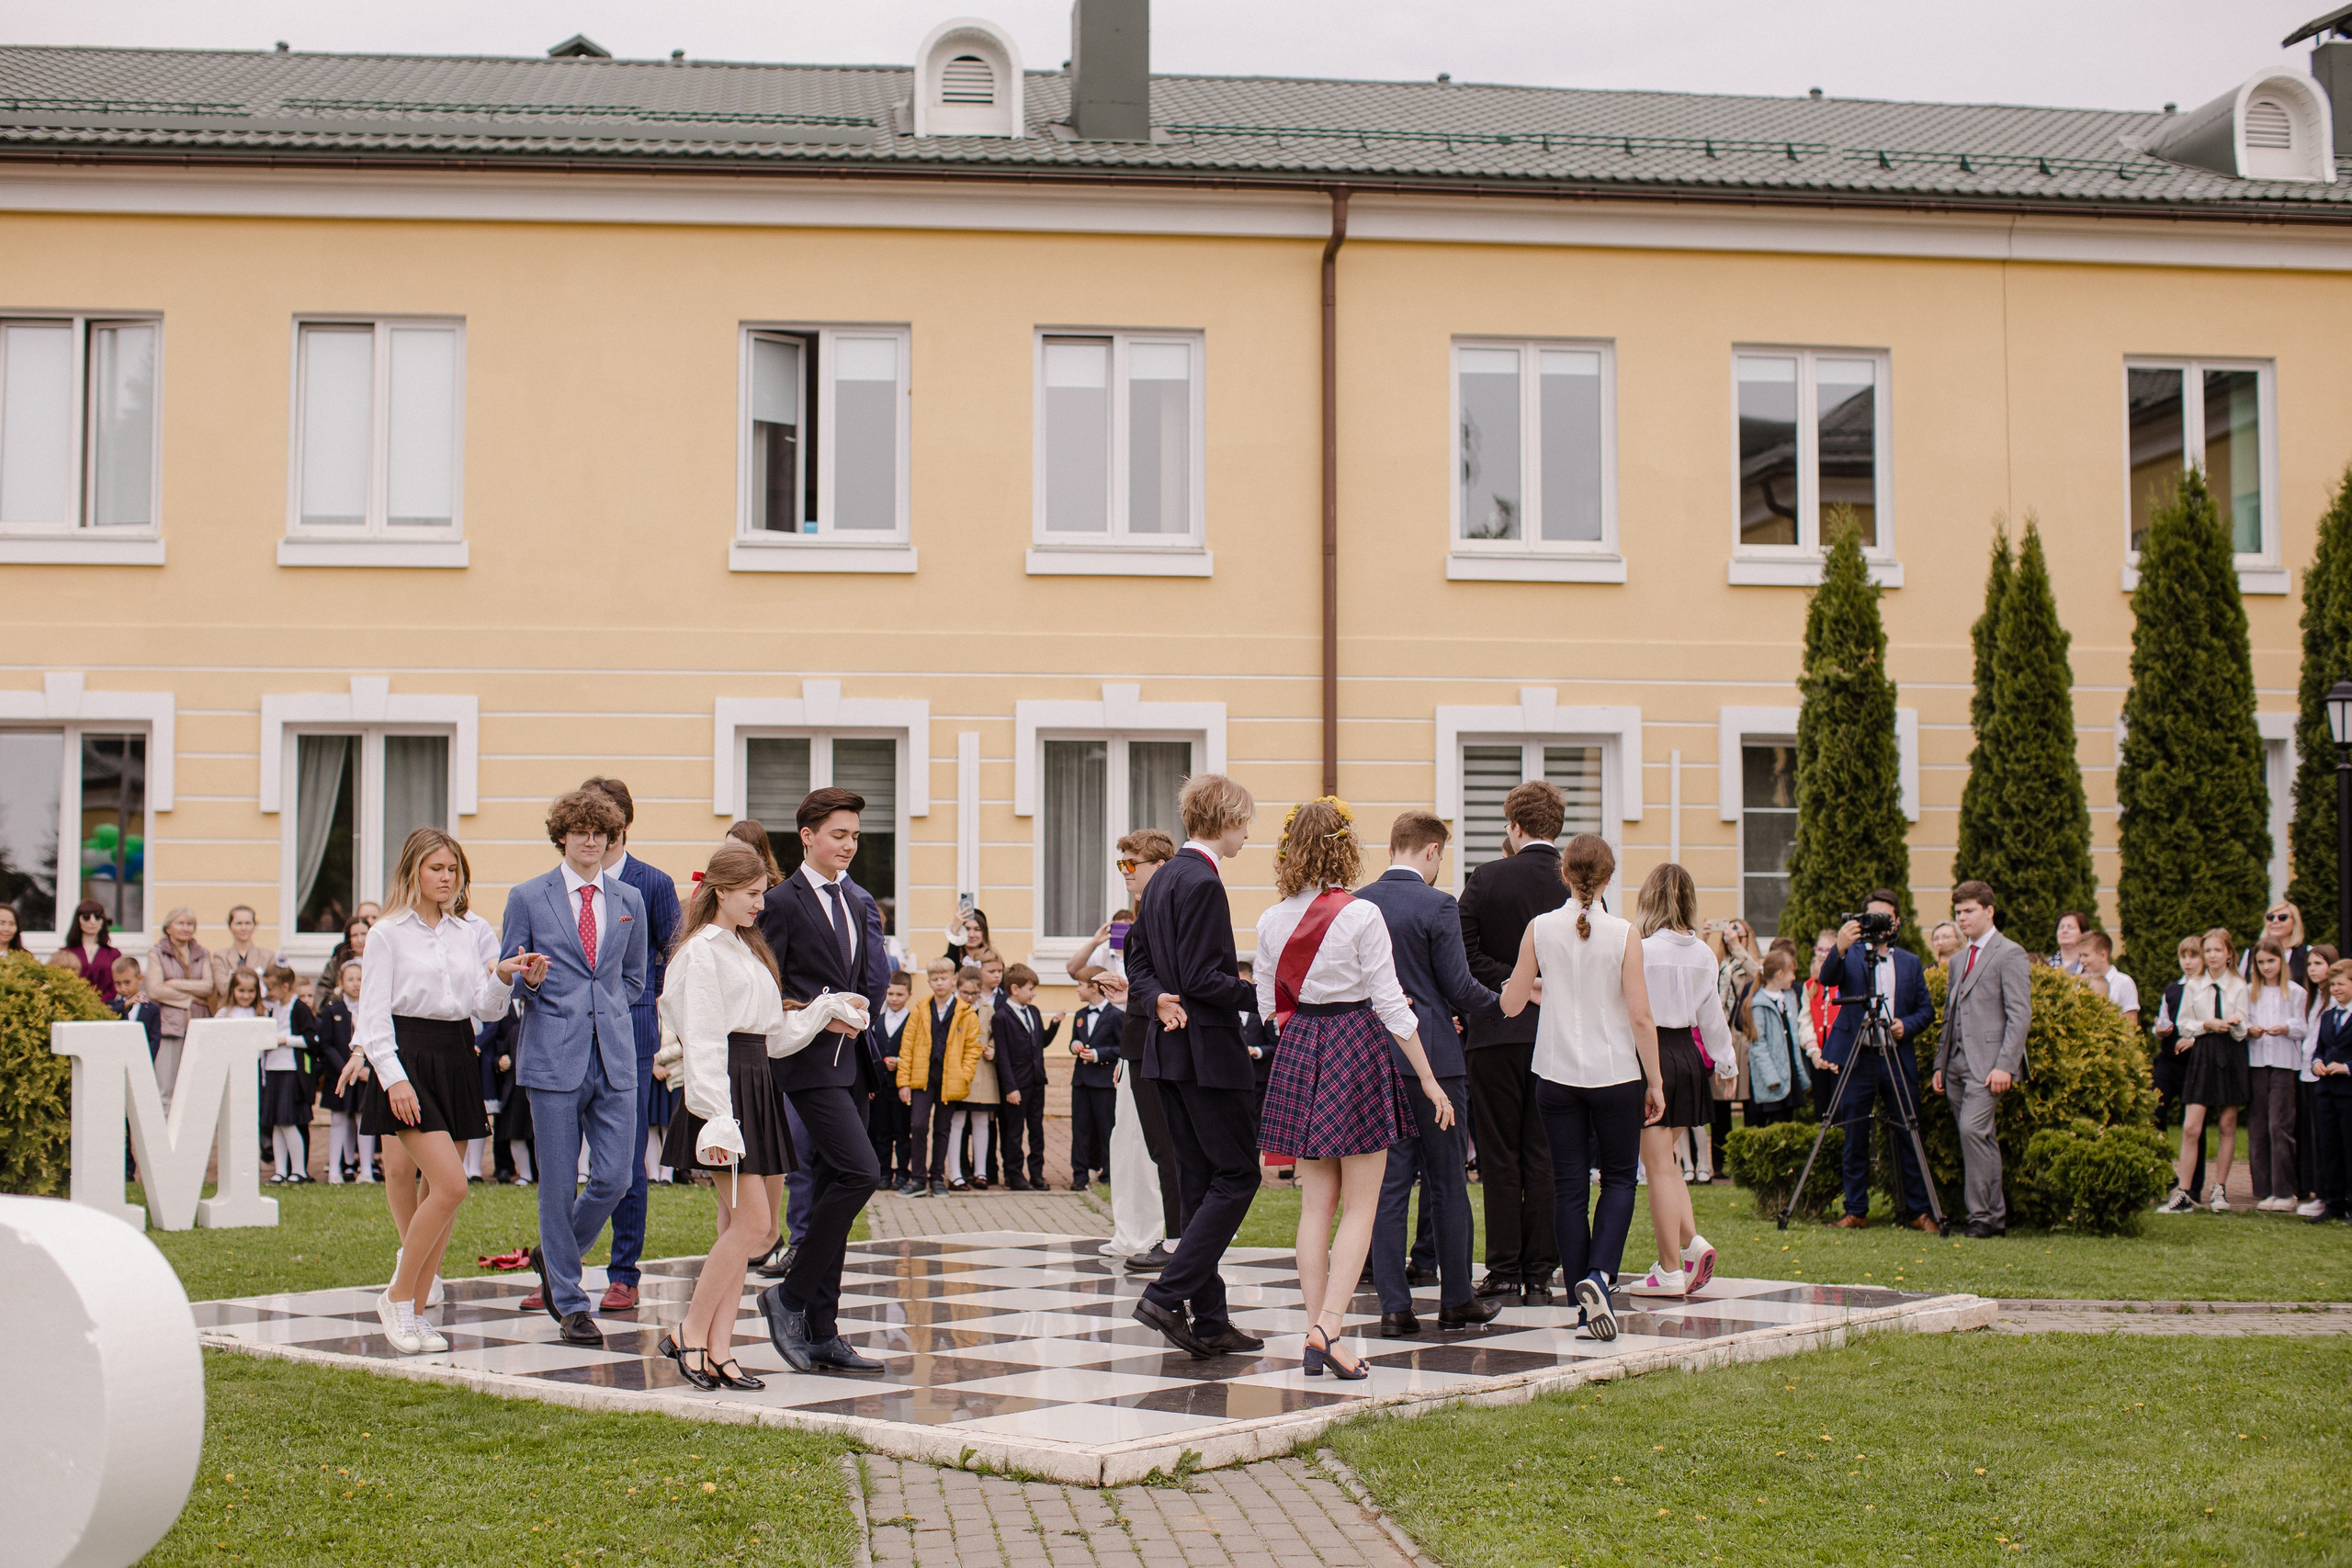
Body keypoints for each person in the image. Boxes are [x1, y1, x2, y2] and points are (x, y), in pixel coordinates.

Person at [1251, 797, 1453, 1377]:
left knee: (1316, 1206)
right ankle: (1330, 1327)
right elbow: (1392, 1005)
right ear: (1344, 847)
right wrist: (1432, 1081)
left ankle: (1318, 1331)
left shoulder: (1269, 920)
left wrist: (1307, 1037)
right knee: (1362, 1204)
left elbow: (1269, 1007)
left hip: (1302, 1050)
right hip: (1356, 1046)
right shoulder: (1362, 915)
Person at [659, 839, 864, 1391]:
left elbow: (772, 1035)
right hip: (725, 1091)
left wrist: (825, 1010)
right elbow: (702, 1041)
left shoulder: (745, 949)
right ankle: (690, 1332)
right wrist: (715, 1116)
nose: (760, 904)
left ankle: (719, 1348)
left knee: (760, 1227)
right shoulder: (701, 952)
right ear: (719, 892)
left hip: (757, 1084)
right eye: (751, 894)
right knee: (750, 1225)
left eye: (762, 894)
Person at [342, 827, 531, 1355]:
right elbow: (373, 1014)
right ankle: (398, 1296)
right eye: (436, 869)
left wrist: (504, 977)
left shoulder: (469, 931)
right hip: (409, 1057)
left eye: (452, 870)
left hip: (457, 1055)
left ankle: (417, 1312)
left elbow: (485, 1008)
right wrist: (393, 1076)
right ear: (413, 872)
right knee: (452, 1185)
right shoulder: (386, 934)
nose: (446, 879)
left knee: (440, 1198)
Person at [1498, 833, 1664, 1342]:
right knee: (1617, 1180)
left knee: (1568, 1185)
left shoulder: (1540, 929)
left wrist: (1536, 988)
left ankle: (1580, 1297)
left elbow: (1510, 1003)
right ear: (1609, 877)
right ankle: (1601, 1277)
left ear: (1564, 873)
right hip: (1616, 1074)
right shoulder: (1623, 933)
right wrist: (1654, 1081)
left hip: (1556, 1072)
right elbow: (1640, 1016)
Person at [1125, 773, 1267, 1359]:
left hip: (1166, 1055)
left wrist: (1155, 996)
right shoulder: (1204, 881)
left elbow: (1139, 961)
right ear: (1228, 819)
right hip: (1207, 1057)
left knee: (1200, 1182)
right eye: (1245, 826)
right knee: (1239, 1176)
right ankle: (1168, 1292)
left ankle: (1209, 1321)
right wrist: (1267, 993)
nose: (1246, 838)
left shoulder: (1160, 881)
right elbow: (1207, 980)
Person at [503, 789, 649, 1347]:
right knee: (558, 1183)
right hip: (552, 1054)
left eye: (600, 833)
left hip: (613, 1055)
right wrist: (530, 981)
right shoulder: (528, 896)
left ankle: (552, 1254)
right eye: (580, 832)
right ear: (562, 836)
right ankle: (568, 1301)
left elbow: (632, 979)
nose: (590, 841)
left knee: (615, 1176)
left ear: (611, 839)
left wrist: (606, 1011)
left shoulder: (628, 897)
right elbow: (511, 972)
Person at [752, 785, 887, 1375]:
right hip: (806, 1063)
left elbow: (873, 975)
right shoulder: (779, 902)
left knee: (841, 1183)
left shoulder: (859, 899)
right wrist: (815, 1011)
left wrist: (861, 1015)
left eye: (855, 835)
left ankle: (823, 1330)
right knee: (863, 1173)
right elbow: (766, 989)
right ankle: (788, 1295)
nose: (850, 845)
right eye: (839, 834)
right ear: (807, 836)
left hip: (855, 1063)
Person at [1353, 808, 1499, 1337]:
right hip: (1435, 1056)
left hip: (1374, 1058)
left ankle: (1395, 1306)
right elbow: (1460, 987)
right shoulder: (1438, 905)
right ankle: (1456, 1299)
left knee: (1389, 1185)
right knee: (1447, 1182)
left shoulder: (1357, 902)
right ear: (1432, 850)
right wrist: (1504, 1003)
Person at [1456, 780, 1570, 1304]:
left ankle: (1503, 1269)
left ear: (1515, 826)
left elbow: (1463, 956)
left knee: (1500, 1153)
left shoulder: (1486, 878)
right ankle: (1541, 1270)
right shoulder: (1578, 886)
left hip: (1497, 1032)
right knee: (1543, 1153)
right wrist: (1542, 983)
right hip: (1559, 1032)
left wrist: (1515, 983)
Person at [579, 776, 682, 1314]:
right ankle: (561, 1267)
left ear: (622, 826)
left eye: (603, 825)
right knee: (565, 1159)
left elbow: (673, 955)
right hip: (573, 1035)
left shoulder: (653, 884)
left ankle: (624, 1272)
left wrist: (661, 1029)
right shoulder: (561, 884)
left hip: (635, 1034)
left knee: (625, 1155)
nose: (593, 835)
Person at [1075, 832, 1182, 1268]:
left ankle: (1176, 1240)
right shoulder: (1145, 918)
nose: (1125, 872)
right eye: (1121, 864)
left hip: (1157, 1044)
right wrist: (1128, 993)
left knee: (1166, 1148)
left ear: (1159, 864)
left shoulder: (1162, 916)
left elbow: (1173, 985)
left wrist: (1138, 994)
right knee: (1152, 1147)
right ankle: (1170, 1236)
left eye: (1132, 863)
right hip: (1137, 1042)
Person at [1623, 863, 1729, 1294]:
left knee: (1659, 1167)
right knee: (1667, 1163)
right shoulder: (1704, 953)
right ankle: (1691, 1243)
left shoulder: (1642, 949)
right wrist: (1726, 1063)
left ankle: (1669, 1270)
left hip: (1652, 1055)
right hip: (1688, 1054)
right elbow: (1713, 1015)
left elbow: (1631, 1011)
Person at [1814, 888, 1938, 1232]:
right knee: (1854, 1133)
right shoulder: (1851, 955)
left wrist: (1905, 1026)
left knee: (1908, 1133)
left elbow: (1926, 1010)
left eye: (1886, 917)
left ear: (1897, 921)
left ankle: (1918, 1211)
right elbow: (1826, 980)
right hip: (1858, 1058)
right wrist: (1839, 946)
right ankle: (1856, 1209)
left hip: (1895, 1056)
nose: (1881, 925)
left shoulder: (1911, 962)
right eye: (1873, 918)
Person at [1933, 881, 2034, 1237]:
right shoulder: (1959, 958)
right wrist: (1940, 1063)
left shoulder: (2010, 953)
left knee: (1972, 1129)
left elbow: (2019, 1015)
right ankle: (1992, 1217)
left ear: (1989, 911)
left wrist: (2006, 1064)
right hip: (1957, 1063)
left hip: (1990, 1064)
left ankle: (1980, 1217)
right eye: (1958, 913)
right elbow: (1950, 1012)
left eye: (1969, 911)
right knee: (1979, 1138)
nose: (1962, 919)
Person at [2157, 927, 2250, 1213]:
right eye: (2207, 950)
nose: (2211, 956)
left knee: (2226, 1124)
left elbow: (2243, 1030)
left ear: (2229, 954)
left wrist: (2234, 1023)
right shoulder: (2194, 985)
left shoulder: (2238, 986)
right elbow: (2184, 1023)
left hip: (2230, 1053)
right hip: (2203, 1052)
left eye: (2217, 950)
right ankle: (2184, 1192)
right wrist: (2206, 1025)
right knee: (2191, 1126)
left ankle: (2219, 1188)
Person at [895, 957, 983, 1196]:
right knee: (920, 1125)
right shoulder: (920, 1009)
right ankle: (917, 1179)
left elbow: (973, 1048)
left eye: (944, 978)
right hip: (922, 1079)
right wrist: (903, 1081)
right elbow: (907, 1045)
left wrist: (964, 1075)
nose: (939, 983)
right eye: (934, 979)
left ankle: (937, 1179)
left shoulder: (965, 1012)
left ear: (954, 980)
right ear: (929, 982)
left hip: (950, 1080)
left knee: (943, 1129)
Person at [2243, 936, 2306, 1213]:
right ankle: (2265, 1189)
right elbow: (2242, 1021)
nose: (2266, 966)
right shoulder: (2248, 991)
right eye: (2261, 962)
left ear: (2281, 961)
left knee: (2279, 1126)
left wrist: (2286, 1027)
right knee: (2257, 1126)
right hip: (2257, 1062)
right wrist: (2250, 1029)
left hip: (2283, 1063)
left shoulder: (2294, 992)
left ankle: (2285, 1190)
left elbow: (2303, 1027)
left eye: (2271, 961)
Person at [993, 964, 1059, 1190]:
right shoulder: (1001, 1016)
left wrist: (1054, 1026)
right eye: (1030, 989)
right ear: (1014, 989)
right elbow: (1002, 1055)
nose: (1034, 994)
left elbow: (1040, 1042)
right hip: (1016, 1084)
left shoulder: (1033, 1012)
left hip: (1036, 1081)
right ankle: (1014, 1175)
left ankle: (1036, 1174)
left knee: (1036, 1130)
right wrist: (1010, 1088)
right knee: (1013, 1132)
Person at [143, 905, 212, 1112]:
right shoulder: (157, 953)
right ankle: (165, 1140)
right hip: (169, 1026)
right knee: (167, 1087)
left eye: (190, 924)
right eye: (180, 923)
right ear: (168, 927)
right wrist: (190, 999)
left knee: (194, 1086)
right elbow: (155, 990)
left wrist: (173, 983)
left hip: (198, 1023)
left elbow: (208, 987)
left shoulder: (202, 954)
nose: (186, 928)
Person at [259, 964, 318, 1185]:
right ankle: (280, 1169)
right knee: (276, 1122)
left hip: (292, 1071)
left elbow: (312, 1040)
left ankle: (299, 1169)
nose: (268, 993)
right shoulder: (273, 1008)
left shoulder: (300, 1009)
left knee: (289, 1121)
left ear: (285, 987)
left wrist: (284, 1039)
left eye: (271, 988)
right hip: (273, 1069)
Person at [944, 965, 1001, 1190]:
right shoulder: (952, 1009)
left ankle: (981, 1172)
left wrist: (993, 1050)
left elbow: (996, 1036)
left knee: (980, 1121)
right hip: (957, 1070)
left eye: (974, 994)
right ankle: (956, 1173)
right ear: (957, 989)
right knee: (956, 1121)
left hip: (983, 1072)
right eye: (965, 993)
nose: (969, 998)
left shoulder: (988, 1009)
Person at [2305, 960, 2352, 1224]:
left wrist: (2346, 1067)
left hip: (2348, 1092)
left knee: (2349, 1147)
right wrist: (2317, 1063)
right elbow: (2319, 1049)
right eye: (2332, 984)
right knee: (2329, 1148)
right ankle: (2333, 1203)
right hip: (2326, 1093)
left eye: (2341, 984)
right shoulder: (2328, 1016)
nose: (2335, 989)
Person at [1746, 948, 1813, 1128]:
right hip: (1773, 1078)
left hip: (1788, 1072)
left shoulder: (1789, 998)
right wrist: (1771, 1078)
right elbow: (1758, 1046)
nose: (1794, 977)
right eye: (1792, 972)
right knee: (1774, 1123)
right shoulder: (1759, 1004)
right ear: (1781, 974)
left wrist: (1801, 1075)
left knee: (1787, 1122)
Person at [1067, 975, 1122, 1190]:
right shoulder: (1080, 1015)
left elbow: (1122, 1047)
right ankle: (1079, 1175)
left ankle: (1108, 1173)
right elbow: (1075, 1039)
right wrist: (1075, 1045)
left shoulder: (1116, 1015)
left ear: (1095, 987)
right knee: (1080, 1129)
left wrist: (1099, 1054)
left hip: (1104, 1081)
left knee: (1106, 1128)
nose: (1078, 989)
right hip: (1081, 1080)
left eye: (1080, 985)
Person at [315, 958, 365, 1183]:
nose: (356, 983)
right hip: (339, 1075)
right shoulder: (332, 1009)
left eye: (360, 979)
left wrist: (366, 1069)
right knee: (338, 1120)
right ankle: (335, 1170)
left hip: (364, 1075)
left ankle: (366, 1169)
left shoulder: (370, 1009)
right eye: (350, 979)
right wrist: (344, 1066)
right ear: (340, 982)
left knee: (363, 1119)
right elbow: (325, 1044)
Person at [2302, 945, 2339, 1217]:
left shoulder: (2336, 999)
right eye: (2309, 964)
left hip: (2328, 1075)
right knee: (2316, 1137)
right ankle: (2322, 1192)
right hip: (2308, 1072)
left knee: (2330, 1138)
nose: (2313, 969)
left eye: (2318, 963)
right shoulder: (2313, 997)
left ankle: (2330, 1194)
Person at [869, 971, 913, 1190]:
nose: (894, 998)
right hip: (881, 1086)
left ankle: (903, 1172)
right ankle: (884, 1172)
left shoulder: (912, 1020)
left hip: (901, 1087)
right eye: (891, 993)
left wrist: (901, 1061)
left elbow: (915, 1051)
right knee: (882, 1132)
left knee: (902, 1132)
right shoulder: (878, 1020)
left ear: (909, 995)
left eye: (899, 994)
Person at [213, 904, 283, 1008]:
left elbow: (273, 987)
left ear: (255, 925)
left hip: (260, 1011)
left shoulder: (268, 955)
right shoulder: (220, 956)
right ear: (230, 926)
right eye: (238, 923)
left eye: (248, 923)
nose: (243, 928)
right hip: (229, 1012)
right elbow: (223, 988)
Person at [58, 899, 123, 1006]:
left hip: (106, 1008)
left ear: (103, 921)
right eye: (86, 917)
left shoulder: (114, 954)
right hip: (74, 1007)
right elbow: (61, 983)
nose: (92, 921)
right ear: (78, 920)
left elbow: (115, 986)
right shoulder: (66, 953)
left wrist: (98, 1004)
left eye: (97, 916)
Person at [2079, 931, 2139, 1028]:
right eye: (2080, 956)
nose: (2081, 960)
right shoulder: (2080, 982)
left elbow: (2131, 1026)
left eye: (2086, 955)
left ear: (2103, 955)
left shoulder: (2124, 982)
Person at [112, 954, 163, 1056]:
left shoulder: (153, 1010)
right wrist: (126, 1005)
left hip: (142, 1060)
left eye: (127, 982)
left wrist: (146, 1062)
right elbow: (110, 1011)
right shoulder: (114, 1006)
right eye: (118, 983)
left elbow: (154, 1041)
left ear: (139, 978)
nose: (122, 988)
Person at [2052, 910, 2092, 975]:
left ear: (2083, 933)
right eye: (2061, 927)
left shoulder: (2090, 966)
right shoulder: (2046, 964)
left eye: (2071, 927)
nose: (2064, 931)